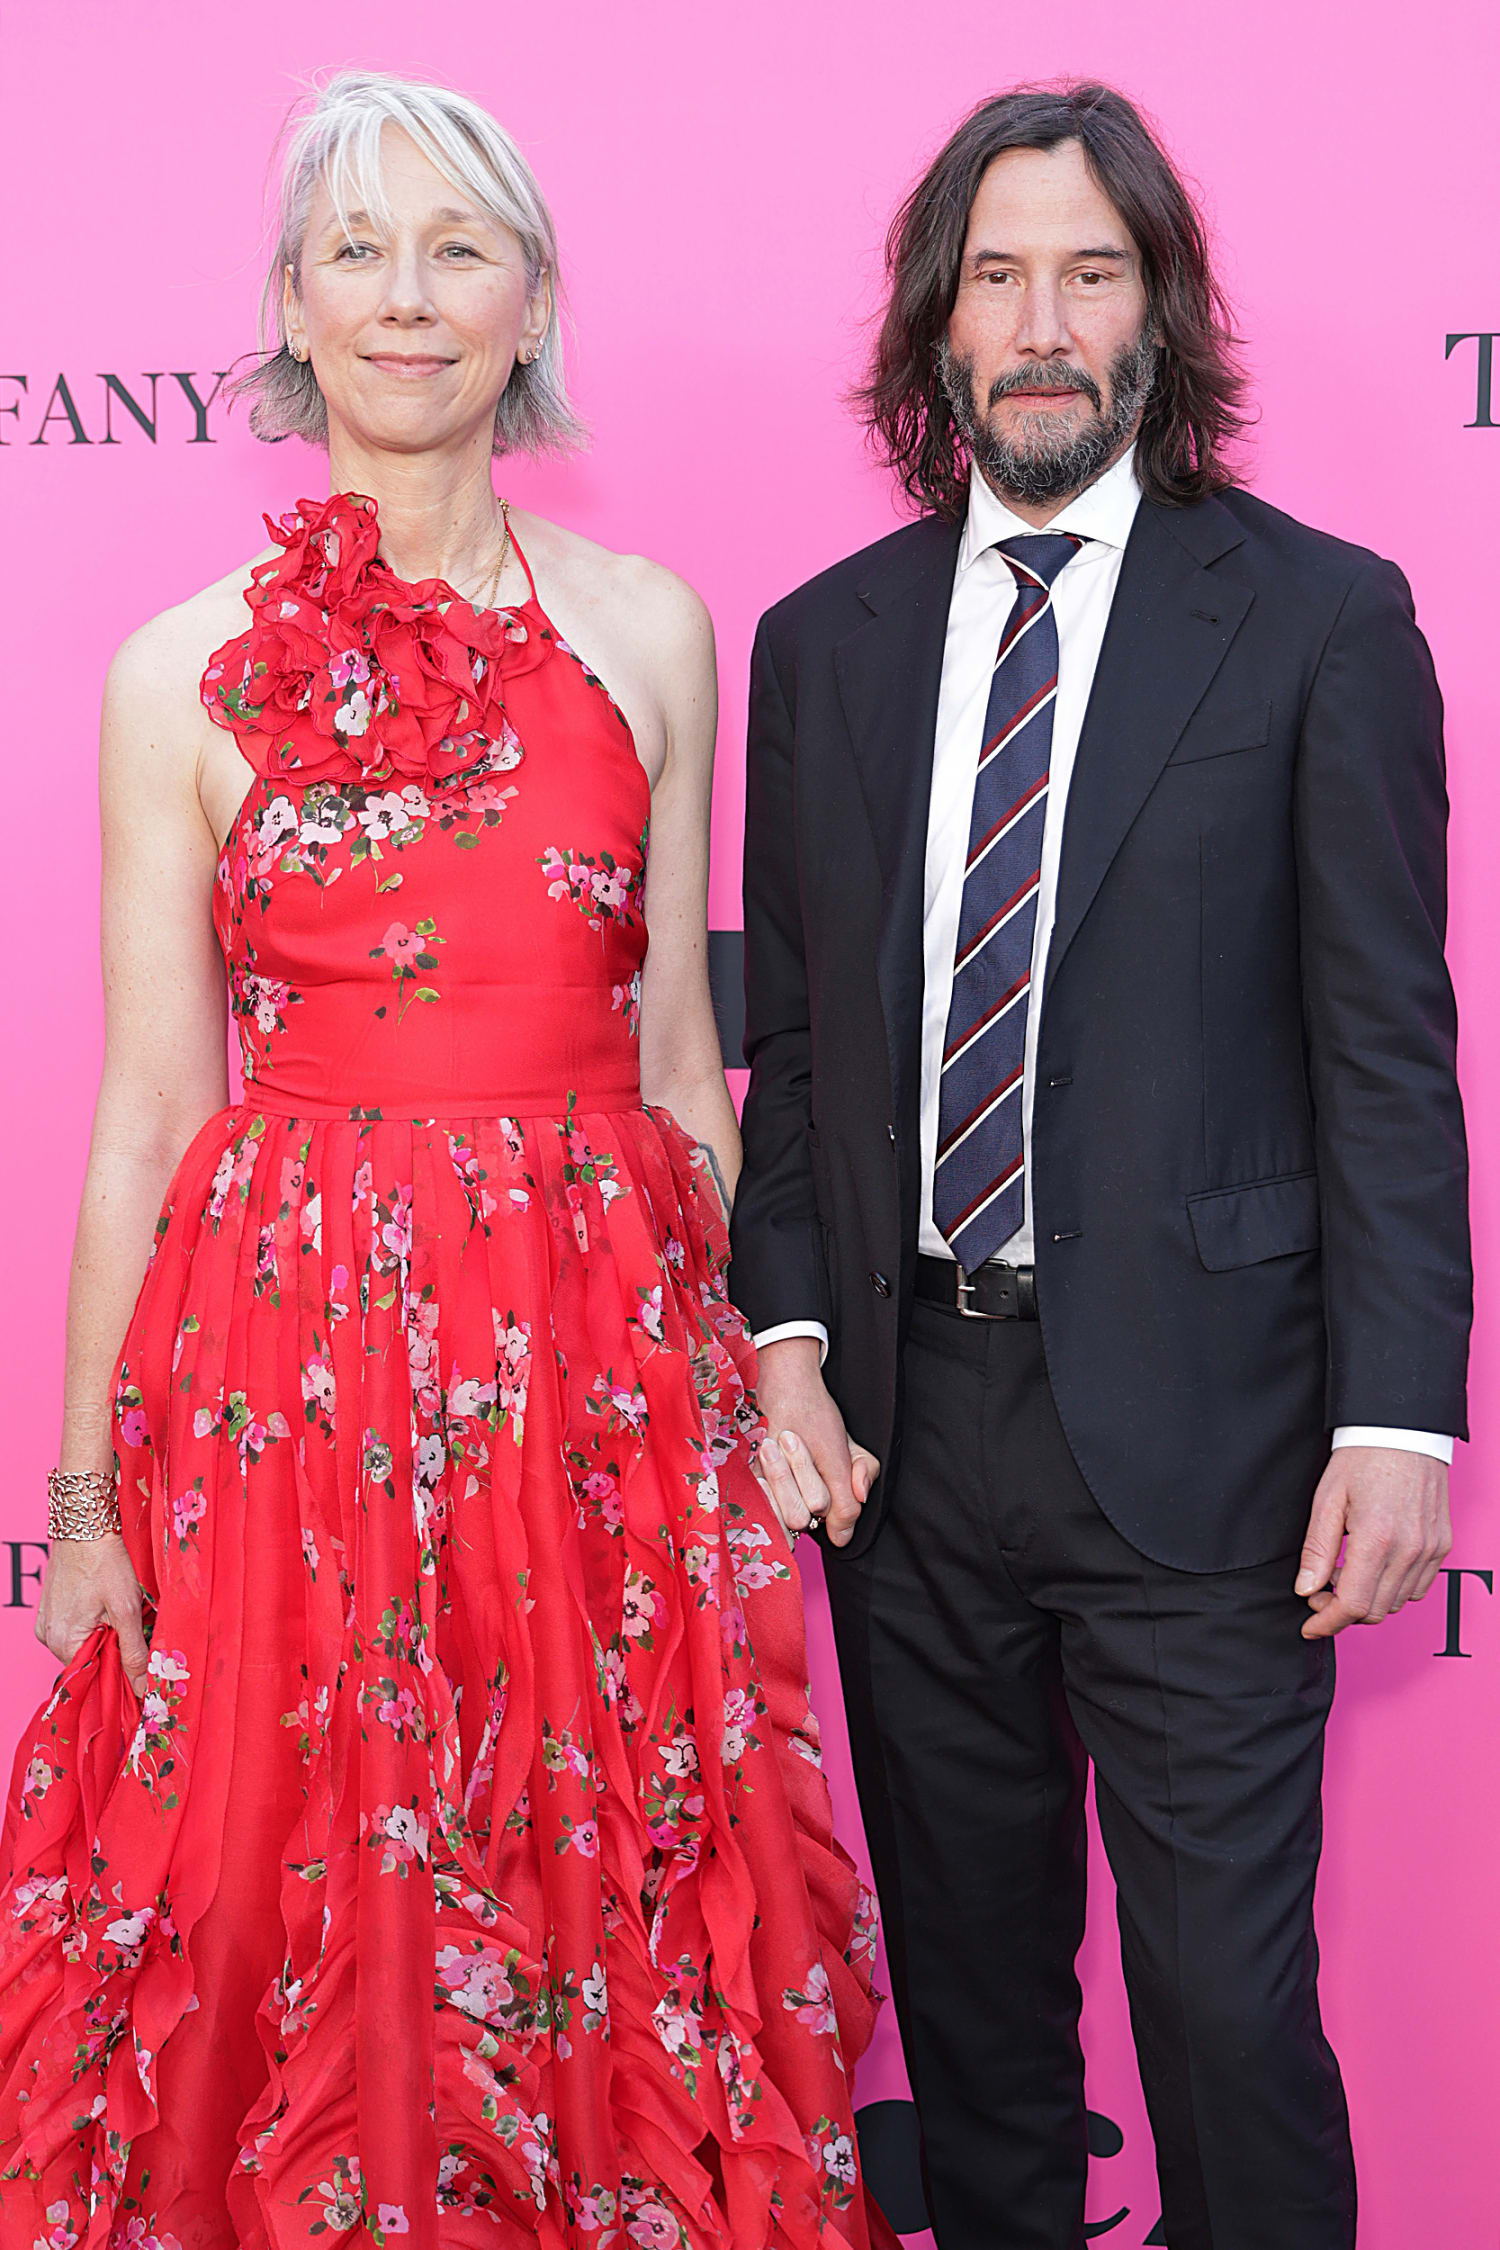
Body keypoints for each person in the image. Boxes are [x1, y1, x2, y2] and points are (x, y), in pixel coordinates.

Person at [0, 71, 893, 2250]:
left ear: (531, 304)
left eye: (456, 249)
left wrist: (757, 1369)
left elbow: (692, 1066)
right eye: (359, 251)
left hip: (596, 1383)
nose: (409, 298)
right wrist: (88, 1504)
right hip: (285, 1387)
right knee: (284, 1891)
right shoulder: (170, 675)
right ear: (291, 308)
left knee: (608, 1884)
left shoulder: (655, 628)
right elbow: (145, 1108)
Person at [731, 80, 1470, 2250]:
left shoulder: (1322, 620)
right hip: (909, 1438)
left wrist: (1399, 1416)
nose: (1042, 323)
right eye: (999, 278)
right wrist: (785, 1336)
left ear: (1160, 310)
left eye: (1091, 271)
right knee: (973, 2028)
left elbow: (1385, 1052)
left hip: (1220, 1442)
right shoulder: (823, 645)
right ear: (937, 330)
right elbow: (789, 1051)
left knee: (1228, 2013)